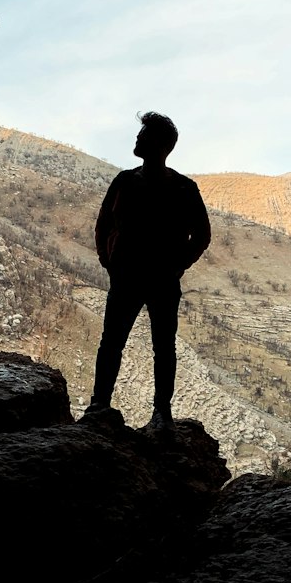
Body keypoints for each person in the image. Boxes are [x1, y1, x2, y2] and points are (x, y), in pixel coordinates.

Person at [84, 112, 211, 430]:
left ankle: (159, 412)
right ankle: (101, 404)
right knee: (116, 342)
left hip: (160, 279)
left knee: (158, 345)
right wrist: (107, 260)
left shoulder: (183, 188)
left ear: (161, 144)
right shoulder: (125, 182)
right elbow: (103, 224)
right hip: (128, 275)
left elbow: (202, 235)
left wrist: (179, 263)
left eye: (144, 135)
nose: (137, 140)